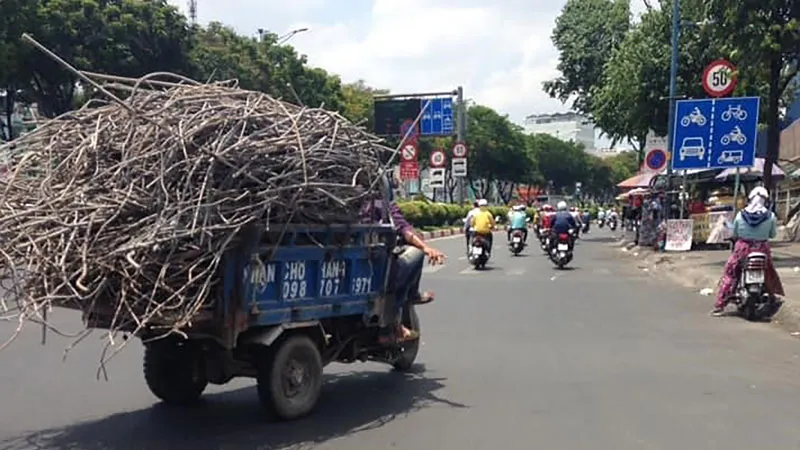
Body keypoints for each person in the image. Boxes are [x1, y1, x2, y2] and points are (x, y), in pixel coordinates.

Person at [359, 174, 447, 343]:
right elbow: (405, 230)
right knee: (415, 254)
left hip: (347, 259)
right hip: (376, 263)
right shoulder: (384, 206)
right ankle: (396, 320)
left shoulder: (344, 205)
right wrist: (426, 248)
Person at [711, 186, 784, 316]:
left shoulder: (741, 215)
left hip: (743, 248)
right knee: (769, 272)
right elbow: (772, 235)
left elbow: (736, 232)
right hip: (762, 249)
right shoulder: (771, 216)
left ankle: (720, 305)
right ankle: (773, 296)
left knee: (731, 274)